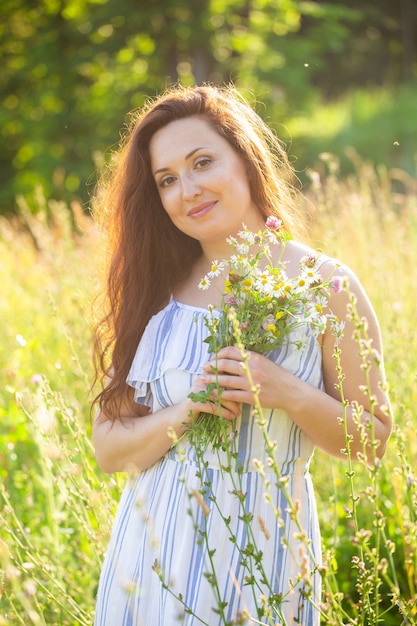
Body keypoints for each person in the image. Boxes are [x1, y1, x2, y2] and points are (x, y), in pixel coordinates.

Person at [91, 84, 392, 626]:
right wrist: (185, 412)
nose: (188, 190)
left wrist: (288, 392)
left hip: (264, 565)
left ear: (246, 159)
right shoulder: (153, 295)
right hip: (148, 567)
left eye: (202, 162)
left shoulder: (325, 285)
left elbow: (371, 440)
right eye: (167, 180)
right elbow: (110, 450)